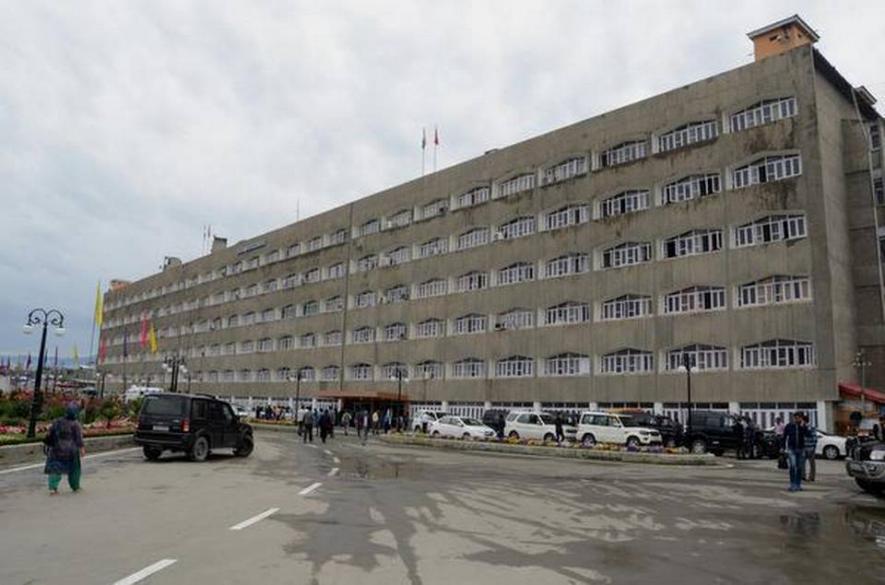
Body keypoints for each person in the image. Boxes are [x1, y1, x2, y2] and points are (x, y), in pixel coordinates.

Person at [44, 403, 85, 495]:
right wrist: (82, 449)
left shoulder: (57, 421)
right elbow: (78, 439)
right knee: (74, 469)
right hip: (71, 450)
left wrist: (48, 445)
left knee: (55, 469)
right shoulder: (75, 424)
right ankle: (75, 486)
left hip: (56, 448)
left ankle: (53, 488)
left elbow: (50, 434)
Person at [783, 411, 807, 492]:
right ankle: (792, 484)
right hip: (791, 449)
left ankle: (798, 484)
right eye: (796, 418)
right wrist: (782, 447)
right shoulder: (789, 426)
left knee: (799, 467)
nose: (797, 419)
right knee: (793, 466)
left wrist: (803, 427)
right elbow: (784, 436)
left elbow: (807, 434)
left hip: (801, 448)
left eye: (799, 418)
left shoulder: (803, 426)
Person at [804, 414, 817, 482]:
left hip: (808, 447)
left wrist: (813, 446)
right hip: (809, 447)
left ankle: (808, 477)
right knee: (812, 463)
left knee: (809, 463)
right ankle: (811, 477)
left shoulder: (809, 427)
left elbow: (814, 438)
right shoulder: (812, 427)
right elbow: (815, 438)